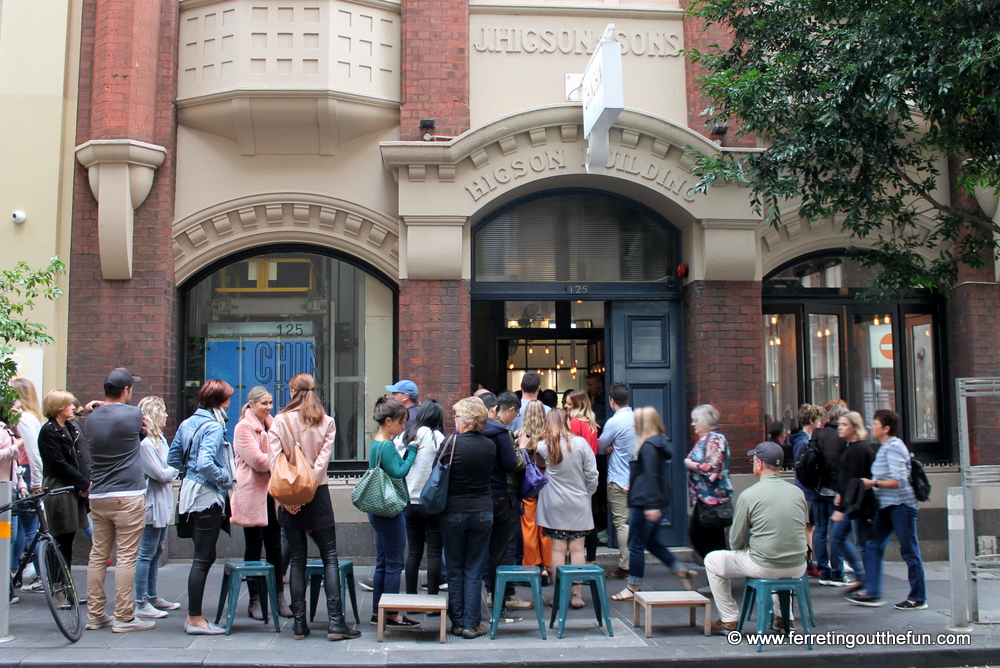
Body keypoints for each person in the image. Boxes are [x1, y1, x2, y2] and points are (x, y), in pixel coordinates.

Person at [269, 373, 360, 641]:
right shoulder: (326, 421)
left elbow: (274, 463)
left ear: (292, 391)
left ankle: (299, 625)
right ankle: (335, 623)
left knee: (297, 560)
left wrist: (291, 499)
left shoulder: (279, 421)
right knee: (329, 557)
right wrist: (307, 491)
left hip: (290, 497)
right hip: (317, 495)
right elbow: (322, 464)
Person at [706, 442, 807, 634]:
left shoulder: (749, 495)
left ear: (759, 464)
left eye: (753, 460)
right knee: (781, 556)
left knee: (712, 560)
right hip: (798, 565)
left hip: (765, 565)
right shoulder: (798, 493)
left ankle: (729, 620)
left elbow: (735, 541)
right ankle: (784, 618)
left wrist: (748, 545)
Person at [83, 368, 154, 634]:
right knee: (126, 556)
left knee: (98, 555)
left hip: (99, 493)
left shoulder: (90, 419)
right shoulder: (134, 414)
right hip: (128, 494)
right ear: (125, 390)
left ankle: (95, 614)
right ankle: (124, 616)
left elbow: (96, 412)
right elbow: (141, 435)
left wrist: (96, 406)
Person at [168, 378, 235, 635]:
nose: (230, 402)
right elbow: (207, 462)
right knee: (202, 558)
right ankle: (194, 618)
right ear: (219, 401)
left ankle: (194, 616)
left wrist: (191, 473)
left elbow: (173, 457)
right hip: (206, 498)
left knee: (204, 555)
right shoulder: (214, 427)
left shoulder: (188, 423)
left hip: (189, 494)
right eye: (227, 398)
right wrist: (224, 477)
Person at [612, 407, 697, 601]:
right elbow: (649, 474)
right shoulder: (657, 444)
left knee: (634, 545)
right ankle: (680, 569)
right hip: (650, 499)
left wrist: (650, 505)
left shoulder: (648, 446)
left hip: (645, 503)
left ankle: (632, 586)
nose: (633, 424)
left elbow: (651, 475)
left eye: (636, 421)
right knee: (651, 542)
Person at [847, 409, 927, 610]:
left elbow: (899, 480)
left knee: (909, 550)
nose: (871, 427)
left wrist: (873, 483)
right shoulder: (884, 448)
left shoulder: (893, 447)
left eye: (875, 424)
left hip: (901, 506)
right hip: (886, 506)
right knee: (872, 545)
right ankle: (872, 592)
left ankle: (918, 597)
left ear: (886, 428)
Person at [231, 386, 291, 619]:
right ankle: (255, 600)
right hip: (252, 494)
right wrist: (281, 459)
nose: (268, 407)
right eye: (264, 403)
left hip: (272, 494)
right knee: (254, 547)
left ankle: (279, 598)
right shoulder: (243, 428)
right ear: (251, 404)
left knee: (275, 546)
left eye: (270, 403)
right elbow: (256, 461)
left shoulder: (273, 425)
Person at [441, 397, 495, 639]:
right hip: (483, 510)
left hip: (453, 511)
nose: (454, 421)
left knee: (455, 568)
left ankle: (457, 621)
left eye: (457, 417)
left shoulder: (451, 443)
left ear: (467, 421)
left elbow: (438, 472)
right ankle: (472, 624)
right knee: (474, 568)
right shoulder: (489, 445)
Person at [536, 409, 598, 609]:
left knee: (558, 549)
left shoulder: (544, 445)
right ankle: (577, 594)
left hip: (554, 502)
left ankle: (559, 593)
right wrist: (589, 492)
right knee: (578, 548)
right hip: (578, 500)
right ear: (567, 422)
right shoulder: (581, 443)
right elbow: (592, 473)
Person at [366, 396, 420, 629]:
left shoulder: (375, 443)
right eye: (401, 423)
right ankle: (391, 614)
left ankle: (378, 612)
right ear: (388, 421)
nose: (404, 427)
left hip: (377, 507)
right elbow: (399, 472)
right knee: (395, 562)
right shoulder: (387, 445)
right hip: (389, 509)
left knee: (382, 562)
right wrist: (412, 451)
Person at [133, 396, 181, 618]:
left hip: (162, 503)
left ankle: (152, 596)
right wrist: (175, 471)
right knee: (146, 553)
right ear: (153, 415)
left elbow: (167, 468)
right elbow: (162, 473)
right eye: (162, 411)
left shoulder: (160, 439)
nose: (167, 415)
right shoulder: (145, 445)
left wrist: (171, 470)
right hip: (152, 504)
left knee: (156, 552)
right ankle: (141, 601)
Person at [36, 390, 90, 568]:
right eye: (69, 404)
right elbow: (59, 463)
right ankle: (58, 584)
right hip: (59, 486)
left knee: (69, 537)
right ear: (58, 407)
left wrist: (85, 482)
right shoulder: (49, 431)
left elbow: (80, 457)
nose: (73, 407)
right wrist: (83, 482)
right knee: (60, 537)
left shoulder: (71, 427)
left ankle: (66, 587)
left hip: (73, 485)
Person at [480, 391, 521, 618]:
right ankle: (501, 598)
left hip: (475, 497)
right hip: (500, 495)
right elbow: (511, 463)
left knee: (480, 550)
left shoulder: (466, 434)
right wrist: (521, 448)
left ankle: (469, 607)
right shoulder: (500, 432)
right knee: (500, 547)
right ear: (494, 410)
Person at [400, 400, 445, 597]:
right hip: (432, 503)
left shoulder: (406, 435)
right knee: (434, 553)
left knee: (414, 553)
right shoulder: (438, 438)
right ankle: (432, 599)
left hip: (409, 501)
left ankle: (411, 597)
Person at [828, 410, 873, 589]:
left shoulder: (858, 450)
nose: (840, 427)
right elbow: (847, 478)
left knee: (859, 543)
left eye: (845, 424)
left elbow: (854, 480)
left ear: (855, 428)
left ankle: (867, 579)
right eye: (840, 424)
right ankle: (863, 576)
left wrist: (841, 509)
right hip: (851, 503)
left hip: (856, 505)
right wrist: (840, 493)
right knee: (839, 537)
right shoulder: (853, 448)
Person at [684, 404, 733, 561]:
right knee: (708, 538)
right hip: (705, 498)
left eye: (695, 420)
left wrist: (690, 464)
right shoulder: (706, 439)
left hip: (714, 499)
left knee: (709, 539)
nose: (693, 424)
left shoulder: (715, 439)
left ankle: (719, 577)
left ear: (705, 421)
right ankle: (717, 576)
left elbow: (713, 468)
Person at [598, 382, 635, 580]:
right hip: (636, 479)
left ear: (612, 400)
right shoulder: (637, 419)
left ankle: (625, 565)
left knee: (621, 523)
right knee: (635, 522)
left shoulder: (614, 421)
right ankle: (634, 561)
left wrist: (606, 448)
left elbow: (599, 446)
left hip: (619, 478)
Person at [10, 379, 43, 592]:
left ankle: (44, 575)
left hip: (25, 474)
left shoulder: (23, 419)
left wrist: (36, 482)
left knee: (29, 529)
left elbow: (32, 452)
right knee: (21, 528)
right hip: (26, 474)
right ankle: (14, 571)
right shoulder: (32, 418)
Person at [812, 400, 849, 585]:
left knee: (820, 529)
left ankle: (823, 571)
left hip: (818, 487)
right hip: (836, 490)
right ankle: (837, 572)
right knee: (836, 531)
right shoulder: (843, 436)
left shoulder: (818, 432)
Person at [516, 400, 551, 583]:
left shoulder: (520, 435)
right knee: (546, 525)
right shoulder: (550, 436)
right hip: (546, 481)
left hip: (528, 482)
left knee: (529, 525)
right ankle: (547, 565)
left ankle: (532, 565)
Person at [789, 404, 824, 576]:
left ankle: (808, 561)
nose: (820, 424)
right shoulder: (804, 441)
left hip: (806, 489)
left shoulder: (802, 440)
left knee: (809, 526)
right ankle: (808, 562)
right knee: (808, 527)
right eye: (818, 421)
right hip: (807, 490)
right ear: (811, 420)